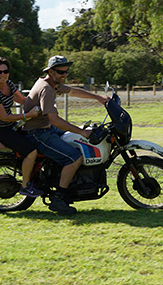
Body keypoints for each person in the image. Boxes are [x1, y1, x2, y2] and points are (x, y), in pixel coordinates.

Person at [22, 55, 110, 215]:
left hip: (46, 128)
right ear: (50, 71)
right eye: (60, 72)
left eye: (66, 72)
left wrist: (98, 98)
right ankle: (59, 198)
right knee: (74, 157)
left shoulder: (52, 83)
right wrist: (82, 131)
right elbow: (54, 119)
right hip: (38, 132)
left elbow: (73, 91)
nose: (64, 75)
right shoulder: (47, 89)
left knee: (78, 137)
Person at [0, 57, 43, 197]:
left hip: (10, 125)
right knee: (31, 151)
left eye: (6, 71)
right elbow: (4, 117)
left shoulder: (9, 84)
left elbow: (23, 100)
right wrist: (27, 115)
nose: (3, 74)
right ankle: (25, 186)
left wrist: (41, 103)